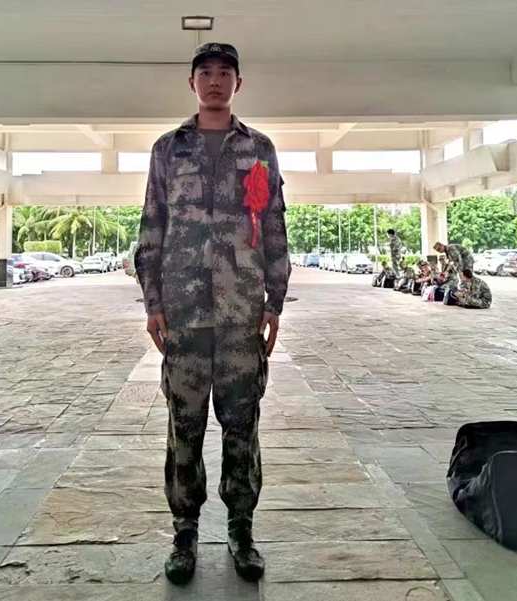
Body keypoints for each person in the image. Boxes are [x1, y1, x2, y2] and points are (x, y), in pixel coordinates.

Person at [134, 42, 290, 585]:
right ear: (193, 83)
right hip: (184, 313)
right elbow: (152, 225)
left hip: (242, 312)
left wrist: (274, 302)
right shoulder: (168, 148)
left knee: (242, 427)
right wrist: (153, 303)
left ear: (237, 84)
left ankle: (241, 530)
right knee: (185, 426)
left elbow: (273, 226)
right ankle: (185, 533)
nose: (216, 80)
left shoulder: (260, 148)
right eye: (206, 72)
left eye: (225, 73)